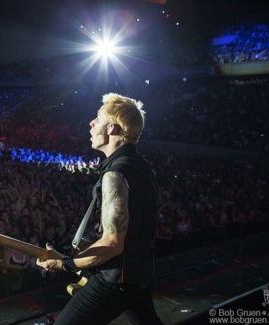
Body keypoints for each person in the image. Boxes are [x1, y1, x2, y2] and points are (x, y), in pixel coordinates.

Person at [37, 93, 163, 325]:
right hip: (140, 277)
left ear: (112, 128)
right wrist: (69, 260)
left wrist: (65, 264)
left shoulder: (115, 174)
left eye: (97, 118)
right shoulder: (142, 166)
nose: (91, 123)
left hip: (114, 282)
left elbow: (113, 244)